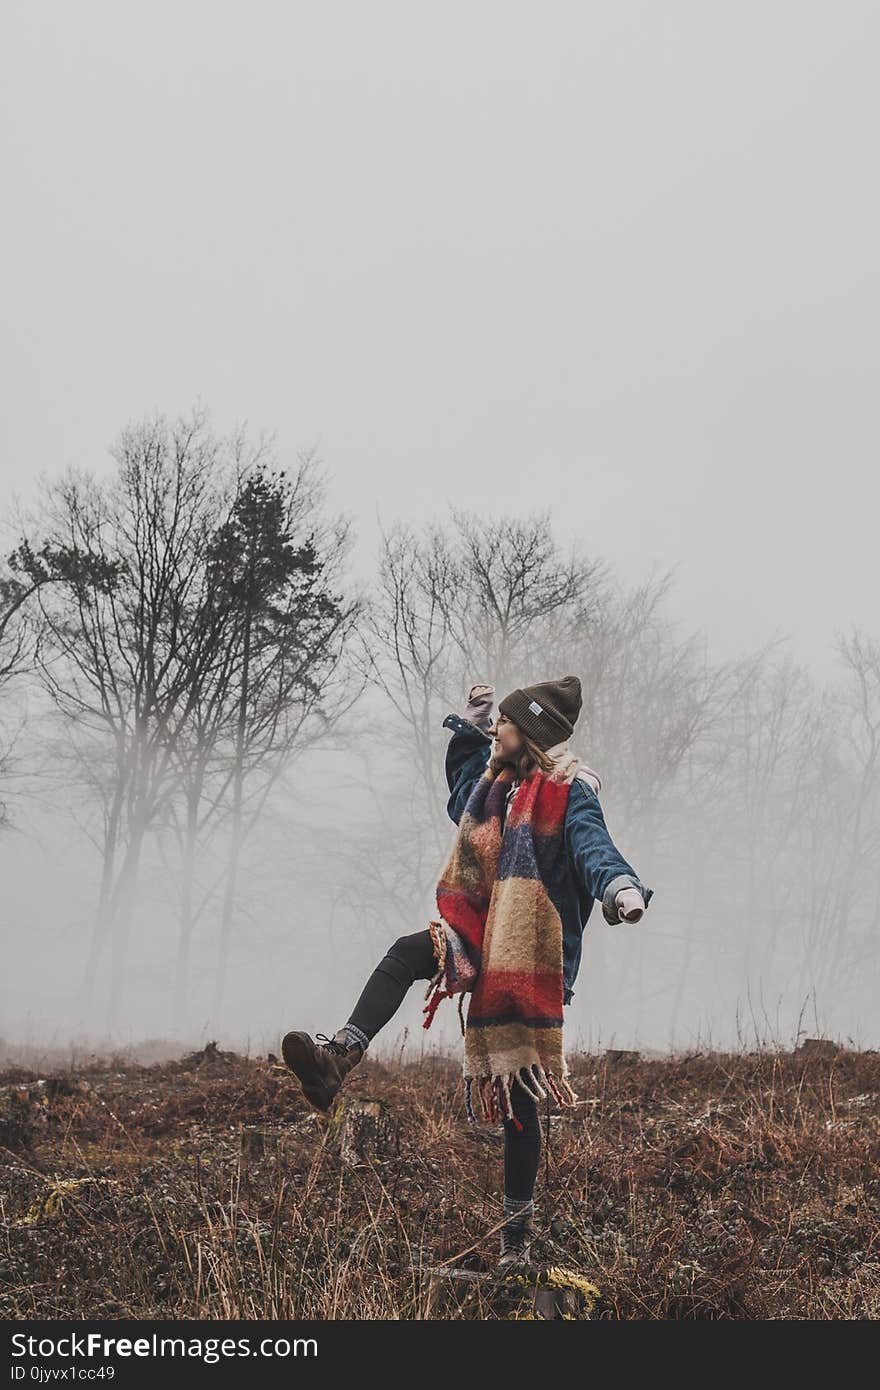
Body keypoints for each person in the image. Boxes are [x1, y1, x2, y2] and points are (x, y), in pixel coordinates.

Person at [281, 675, 653, 1268]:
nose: (496, 731)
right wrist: (472, 724)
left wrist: (619, 888)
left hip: (530, 951)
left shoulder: (570, 796)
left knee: (519, 1098)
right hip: (477, 930)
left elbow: (592, 848)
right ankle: (338, 1059)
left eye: (504, 723)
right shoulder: (493, 788)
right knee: (408, 951)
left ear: (527, 734)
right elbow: (459, 790)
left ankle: (514, 1245)